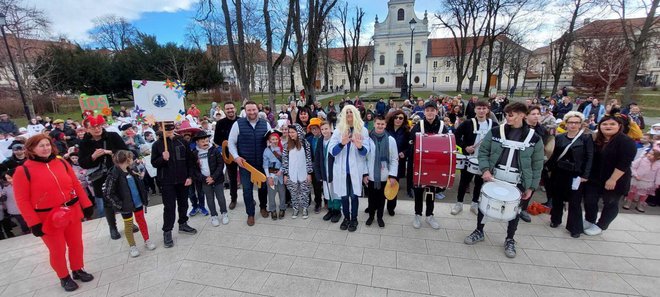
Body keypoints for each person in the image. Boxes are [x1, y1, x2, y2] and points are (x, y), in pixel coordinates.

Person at [13, 134, 95, 292]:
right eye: (41, 146)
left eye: (47, 145)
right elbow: (22, 200)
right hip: (47, 218)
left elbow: (76, 185)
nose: (46, 148)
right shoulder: (22, 171)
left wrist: (86, 203)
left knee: (76, 244)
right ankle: (64, 277)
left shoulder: (62, 162)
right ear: (31, 149)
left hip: (71, 211)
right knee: (57, 250)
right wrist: (33, 222)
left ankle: (78, 269)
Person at [463, 102, 544, 258]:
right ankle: (479, 231)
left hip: (518, 179)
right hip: (494, 176)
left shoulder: (534, 138)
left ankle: (510, 239)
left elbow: (537, 164)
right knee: (483, 205)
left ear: (522, 115)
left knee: (515, 211)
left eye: (511, 114)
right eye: (506, 114)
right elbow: (484, 152)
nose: (507, 117)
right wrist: (485, 170)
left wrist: (531, 187)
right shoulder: (495, 132)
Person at [78, 115, 134, 240]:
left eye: (99, 126)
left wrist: (110, 152)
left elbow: (125, 152)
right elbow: (82, 163)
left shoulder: (112, 136)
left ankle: (129, 223)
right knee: (107, 202)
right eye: (93, 127)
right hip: (100, 177)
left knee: (124, 197)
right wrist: (93, 157)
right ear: (87, 129)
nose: (97, 129)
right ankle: (112, 227)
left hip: (117, 172)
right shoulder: (84, 143)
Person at [583, 115, 637, 236]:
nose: (608, 126)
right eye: (605, 124)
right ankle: (589, 219)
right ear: (600, 126)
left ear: (619, 126)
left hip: (616, 178)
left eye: (612, 124)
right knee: (589, 199)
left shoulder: (626, 142)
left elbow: (624, 163)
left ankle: (601, 225)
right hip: (595, 177)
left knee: (610, 202)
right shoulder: (595, 139)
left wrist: (613, 179)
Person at [547, 111, 594, 238]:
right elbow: (554, 155)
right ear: (566, 124)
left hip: (576, 174)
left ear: (580, 124)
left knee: (574, 201)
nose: (573, 125)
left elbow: (590, 157)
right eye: (570, 122)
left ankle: (574, 227)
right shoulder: (559, 137)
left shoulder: (586, 138)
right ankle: (555, 219)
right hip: (559, 172)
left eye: (576, 123)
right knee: (557, 197)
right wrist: (548, 168)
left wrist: (585, 174)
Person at [151, 122, 197, 247]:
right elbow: (154, 163)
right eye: (166, 127)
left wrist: (190, 176)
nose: (170, 130)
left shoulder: (182, 142)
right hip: (167, 181)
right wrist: (162, 158)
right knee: (169, 207)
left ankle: (183, 223)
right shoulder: (157, 145)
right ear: (161, 128)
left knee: (183, 203)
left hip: (183, 180)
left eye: (171, 126)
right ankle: (167, 231)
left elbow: (190, 161)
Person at [103, 150, 156, 257]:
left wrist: (143, 198)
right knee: (128, 225)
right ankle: (132, 246)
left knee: (141, 221)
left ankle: (147, 240)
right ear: (127, 160)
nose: (133, 159)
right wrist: (119, 205)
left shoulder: (131, 170)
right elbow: (108, 193)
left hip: (137, 203)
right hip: (125, 206)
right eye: (131, 158)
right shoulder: (113, 175)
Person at [228, 101, 271, 226]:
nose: (252, 112)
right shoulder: (238, 124)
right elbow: (231, 142)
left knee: (263, 187)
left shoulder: (265, 124)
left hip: (262, 163)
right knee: (247, 190)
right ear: (245, 111)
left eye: (254, 110)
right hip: (245, 164)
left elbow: (270, 141)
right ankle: (250, 214)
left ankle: (263, 207)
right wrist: (236, 157)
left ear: (258, 109)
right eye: (249, 110)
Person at [408, 101, 449, 230]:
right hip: (420, 165)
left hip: (435, 166)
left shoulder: (443, 126)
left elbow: (448, 146)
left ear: (436, 111)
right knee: (419, 191)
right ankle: (418, 215)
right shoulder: (418, 125)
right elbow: (411, 144)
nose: (430, 112)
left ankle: (430, 215)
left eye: (432, 110)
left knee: (431, 191)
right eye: (427, 110)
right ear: (424, 112)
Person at [452, 101, 498, 215]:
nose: (481, 111)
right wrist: (465, 147)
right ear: (475, 110)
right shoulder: (468, 123)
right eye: (479, 108)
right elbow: (455, 136)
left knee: (479, 183)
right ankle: (459, 203)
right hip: (469, 158)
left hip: (484, 161)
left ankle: (474, 204)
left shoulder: (494, 125)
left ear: (487, 110)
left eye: (484, 108)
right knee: (464, 182)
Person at [330, 105, 369, 232]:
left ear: (355, 114)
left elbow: (365, 152)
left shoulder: (362, 130)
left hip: (355, 170)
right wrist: (342, 143)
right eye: (346, 113)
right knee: (344, 196)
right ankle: (346, 218)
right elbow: (332, 151)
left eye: (351, 112)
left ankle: (354, 219)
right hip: (342, 171)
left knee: (354, 196)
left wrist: (359, 146)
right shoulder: (337, 131)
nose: (349, 115)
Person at [365, 116, 398, 228]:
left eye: (382, 124)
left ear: (385, 125)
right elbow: (364, 158)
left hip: (385, 175)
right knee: (371, 198)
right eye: (378, 123)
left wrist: (393, 175)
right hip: (371, 175)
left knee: (381, 198)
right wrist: (365, 174)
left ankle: (379, 217)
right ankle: (371, 216)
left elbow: (394, 159)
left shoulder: (390, 140)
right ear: (374, 124)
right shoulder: (368, 139)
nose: (380, 126)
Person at [191, 131, 228, 226]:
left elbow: (220, 164)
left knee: (221, 198)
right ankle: (213, 215)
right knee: (210, 199)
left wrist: (213, 177)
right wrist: (204, 179)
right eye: (202, 141)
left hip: (217, 179)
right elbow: (194, 169)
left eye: (207, 140)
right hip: (205, 181)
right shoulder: (195, 153)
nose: (205, 143)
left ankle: (224, 213)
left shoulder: (214, 150)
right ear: (197, 142)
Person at [282, 124, 313, 219]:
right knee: (293, 192)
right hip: (291, 173)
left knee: (305, 192)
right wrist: (285, 174)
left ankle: (304, 208)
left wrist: (309, 173)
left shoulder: (305, 144)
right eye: (289, 132)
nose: (291, 134)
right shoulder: (287, 145)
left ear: (298, 132)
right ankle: (295, 208)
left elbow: (309, 159)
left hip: (304, 172)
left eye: (293, 132)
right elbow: (285, 160)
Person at [213, 102, 239, 210]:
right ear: (225, 110)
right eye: (227, 109)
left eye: (232, 108)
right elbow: (216, 140)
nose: (230, 110)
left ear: (235, 109)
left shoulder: (241, 121)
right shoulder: (220, 123)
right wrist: (228, 143)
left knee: (246, 177)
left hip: (242, 153)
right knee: (232, 178)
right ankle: (233, 199)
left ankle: (249, 197)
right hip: (228, 154)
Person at [385, 110, 410, 214]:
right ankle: (376, 205)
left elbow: (411, 147)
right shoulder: (386, 129)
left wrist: (404, 153)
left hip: (399, 162)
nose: (398, 120)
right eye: (396, 117)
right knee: (380, 185)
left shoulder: (406, 131)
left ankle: (391, 207)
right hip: (384, 162)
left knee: (393, 185)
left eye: (401, 118)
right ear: (392, 118)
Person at [315, 121, 340, 222]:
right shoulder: (320, 141)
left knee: (335, 192)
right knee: (327, 192)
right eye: (322, 129)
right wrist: (318, 173)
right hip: (324, 170)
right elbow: (317, 158)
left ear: (331, 129)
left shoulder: (335, 140)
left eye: (326, 128)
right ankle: (330, 209)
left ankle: (337, 211)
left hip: (334, 171)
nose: (325, 131)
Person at [263, 130, 286, 220]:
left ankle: (282, 208)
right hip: (271, 175)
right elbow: (265, 165)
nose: (275, 141)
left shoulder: (282, 149)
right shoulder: (266, 150)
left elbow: (285, 162)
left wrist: (281, 170)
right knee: (271, 194)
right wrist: (268, 177)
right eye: (273, 139)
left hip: (280, 175)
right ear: (270, 140)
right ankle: (272, 209)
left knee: (282, 193)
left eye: (276, 139)